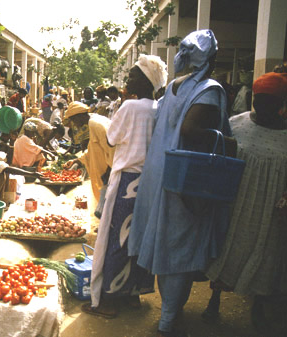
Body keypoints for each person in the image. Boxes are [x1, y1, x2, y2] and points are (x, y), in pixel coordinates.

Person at [128, 29, 237, 337]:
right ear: (212, 59)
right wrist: (226, 141)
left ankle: (169, 313)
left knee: (167, 246)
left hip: (162, 174)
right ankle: (167, 321)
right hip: (189, 180)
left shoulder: (174, 87)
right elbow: (190, 129)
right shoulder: (210, 89)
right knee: (181, 250)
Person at [84, 54, 168, 319]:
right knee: (140, 238)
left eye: (133, 76)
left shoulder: (130, 107)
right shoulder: (160, 108)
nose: (128, 79)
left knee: (116, 238)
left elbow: (111, 139)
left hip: (128, 182)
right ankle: (133, 294)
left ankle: (108, 298)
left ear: (144, 81)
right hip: (152, 182)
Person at [204, 72, 287, 328]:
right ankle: (214, 297)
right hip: (236, 201)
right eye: (258, 100)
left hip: (271, 207)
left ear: (282, 103)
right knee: (229, 247)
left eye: (270, 102)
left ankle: (259, 305)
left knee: (267, 252)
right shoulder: (236, 124)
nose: (263, 106)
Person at [63, 102, 114, 202]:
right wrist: (77, 161)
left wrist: (109, 170)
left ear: (78, 116)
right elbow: (92, 149)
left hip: (106, 171)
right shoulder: (93, 121)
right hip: (102, 169)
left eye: (73, 120)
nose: (74, 124)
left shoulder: (95, 124)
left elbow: (111, 149)